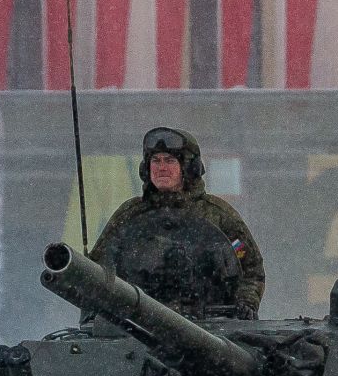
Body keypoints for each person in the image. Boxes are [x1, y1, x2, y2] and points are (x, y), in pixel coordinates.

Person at [89, 126, 264, 319]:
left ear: (189, 168)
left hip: (209, 328)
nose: (161, 168)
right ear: (146, 168)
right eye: (155, 161)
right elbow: (98, 271)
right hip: (137, 324)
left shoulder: (218, 216)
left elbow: (249, 268)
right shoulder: (130, 215)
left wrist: (246, 302)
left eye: (170, 161)